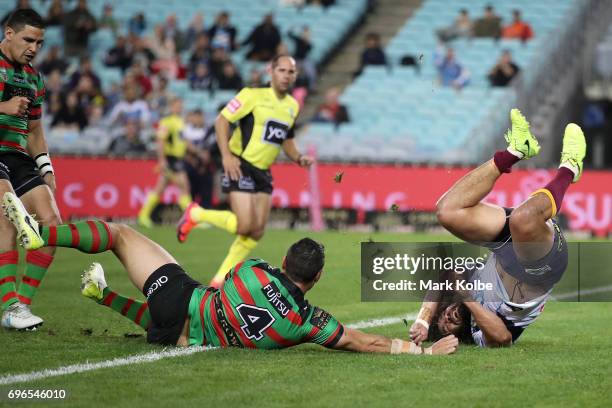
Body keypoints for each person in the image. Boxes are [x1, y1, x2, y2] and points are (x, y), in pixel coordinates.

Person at [2, 192, 458, 354]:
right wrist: (418, 353)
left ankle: (45, 234)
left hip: (179, 302)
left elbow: (226, 281)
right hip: (183, 334)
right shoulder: (306, 323)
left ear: (283, 263)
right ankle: (101, 295)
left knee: (122, 235)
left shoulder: (255, 270)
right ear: (315, 280)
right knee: (176, 325)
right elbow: (361, 340)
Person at [409, 109, 586, 348]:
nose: (447, 320)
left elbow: (443, 277)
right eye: (446, 328)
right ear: (455, 336)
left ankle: (516, 150)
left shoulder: (466, 282)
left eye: (443, 316)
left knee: (447, 212)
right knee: (522, 219)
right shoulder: (476, 332)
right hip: (542, 265)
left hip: (507, 246)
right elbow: (503, 339)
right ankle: (570, 169)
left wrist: (424, 319)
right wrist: (468, 300)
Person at [177, 55, 313, 288]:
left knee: (257, 231)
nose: (286, 75)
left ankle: (218, 280)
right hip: (240, 164)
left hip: (263, 171)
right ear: (271, 71)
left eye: (291, 72)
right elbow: (222, 121)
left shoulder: (292, 106)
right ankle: (196, 214)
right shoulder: (252, 95)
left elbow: (286, 140)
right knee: (244, 226)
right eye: (282, 70)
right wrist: (227, 156)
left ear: (295, 76)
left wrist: (298, 157)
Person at [0, 9, 62, 330]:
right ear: (8, 33)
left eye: (39, 42)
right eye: (28, 39)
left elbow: (35, 131)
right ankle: (9, 303)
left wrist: (46, 168)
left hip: (15, 154)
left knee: (51, 222)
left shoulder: (33, 77)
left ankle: (19, 307)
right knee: (8, 214)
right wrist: (4, 108)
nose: (34, 48)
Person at [137, 98, 195, 227]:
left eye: (181, 105)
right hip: (171, 159)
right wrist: (162, 160)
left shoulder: (180, 121)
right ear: (171, 107)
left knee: (161, 188)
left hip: (178, 159)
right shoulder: (166, 122)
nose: (179, 108)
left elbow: (182, 142)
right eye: (177, 106)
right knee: (184, 186)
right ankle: (191, 219)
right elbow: (160, 141)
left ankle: (143, 215)